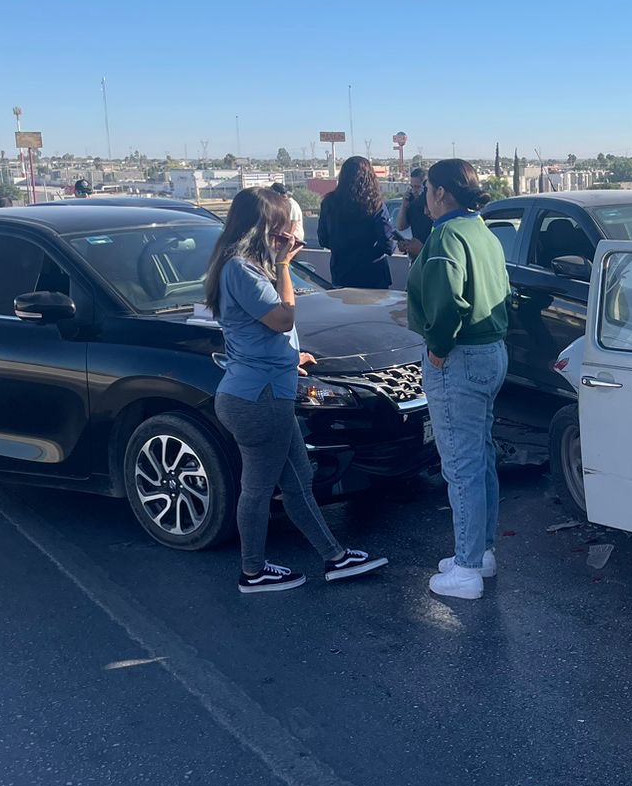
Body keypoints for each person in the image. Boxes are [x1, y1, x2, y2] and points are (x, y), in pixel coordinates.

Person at [205, 186, 386, 595]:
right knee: (259, 486)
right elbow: (283, 318)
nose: (286, 233)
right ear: (261, 227)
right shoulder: (242, 269)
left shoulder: (243, 266)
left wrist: (293, 358)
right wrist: (285, 265)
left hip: (263, 389)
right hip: (258, 398)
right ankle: (253, 572)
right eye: (280, 226)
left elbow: (259, 333)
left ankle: (335, 557)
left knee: (297, 478)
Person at [406, 159, 510, 599]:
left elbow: (447, 301)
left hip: (460, 356)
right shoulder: (482, 230)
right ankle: (479, 551)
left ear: (442, 192)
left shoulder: (446, 234)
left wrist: (436, 347)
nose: (423, 195)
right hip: (491, 352)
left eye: (427, 187)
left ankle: (467, 569)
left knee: (461, 465)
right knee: (480, 458)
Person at [315, 156, 401, 289]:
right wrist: (366, 255)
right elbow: (388, 244)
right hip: (373, 277)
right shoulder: (375, 204)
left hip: (342, 275)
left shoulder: (329, 203)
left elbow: (323, 240)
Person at [395, 166, 432, 256]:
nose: (414, 190)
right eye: (412, 187)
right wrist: (404, 206)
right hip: (416, 255)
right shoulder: (412, 204)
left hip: (430, 251)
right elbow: (401, 226)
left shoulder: (433, 206)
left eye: (417, 187)